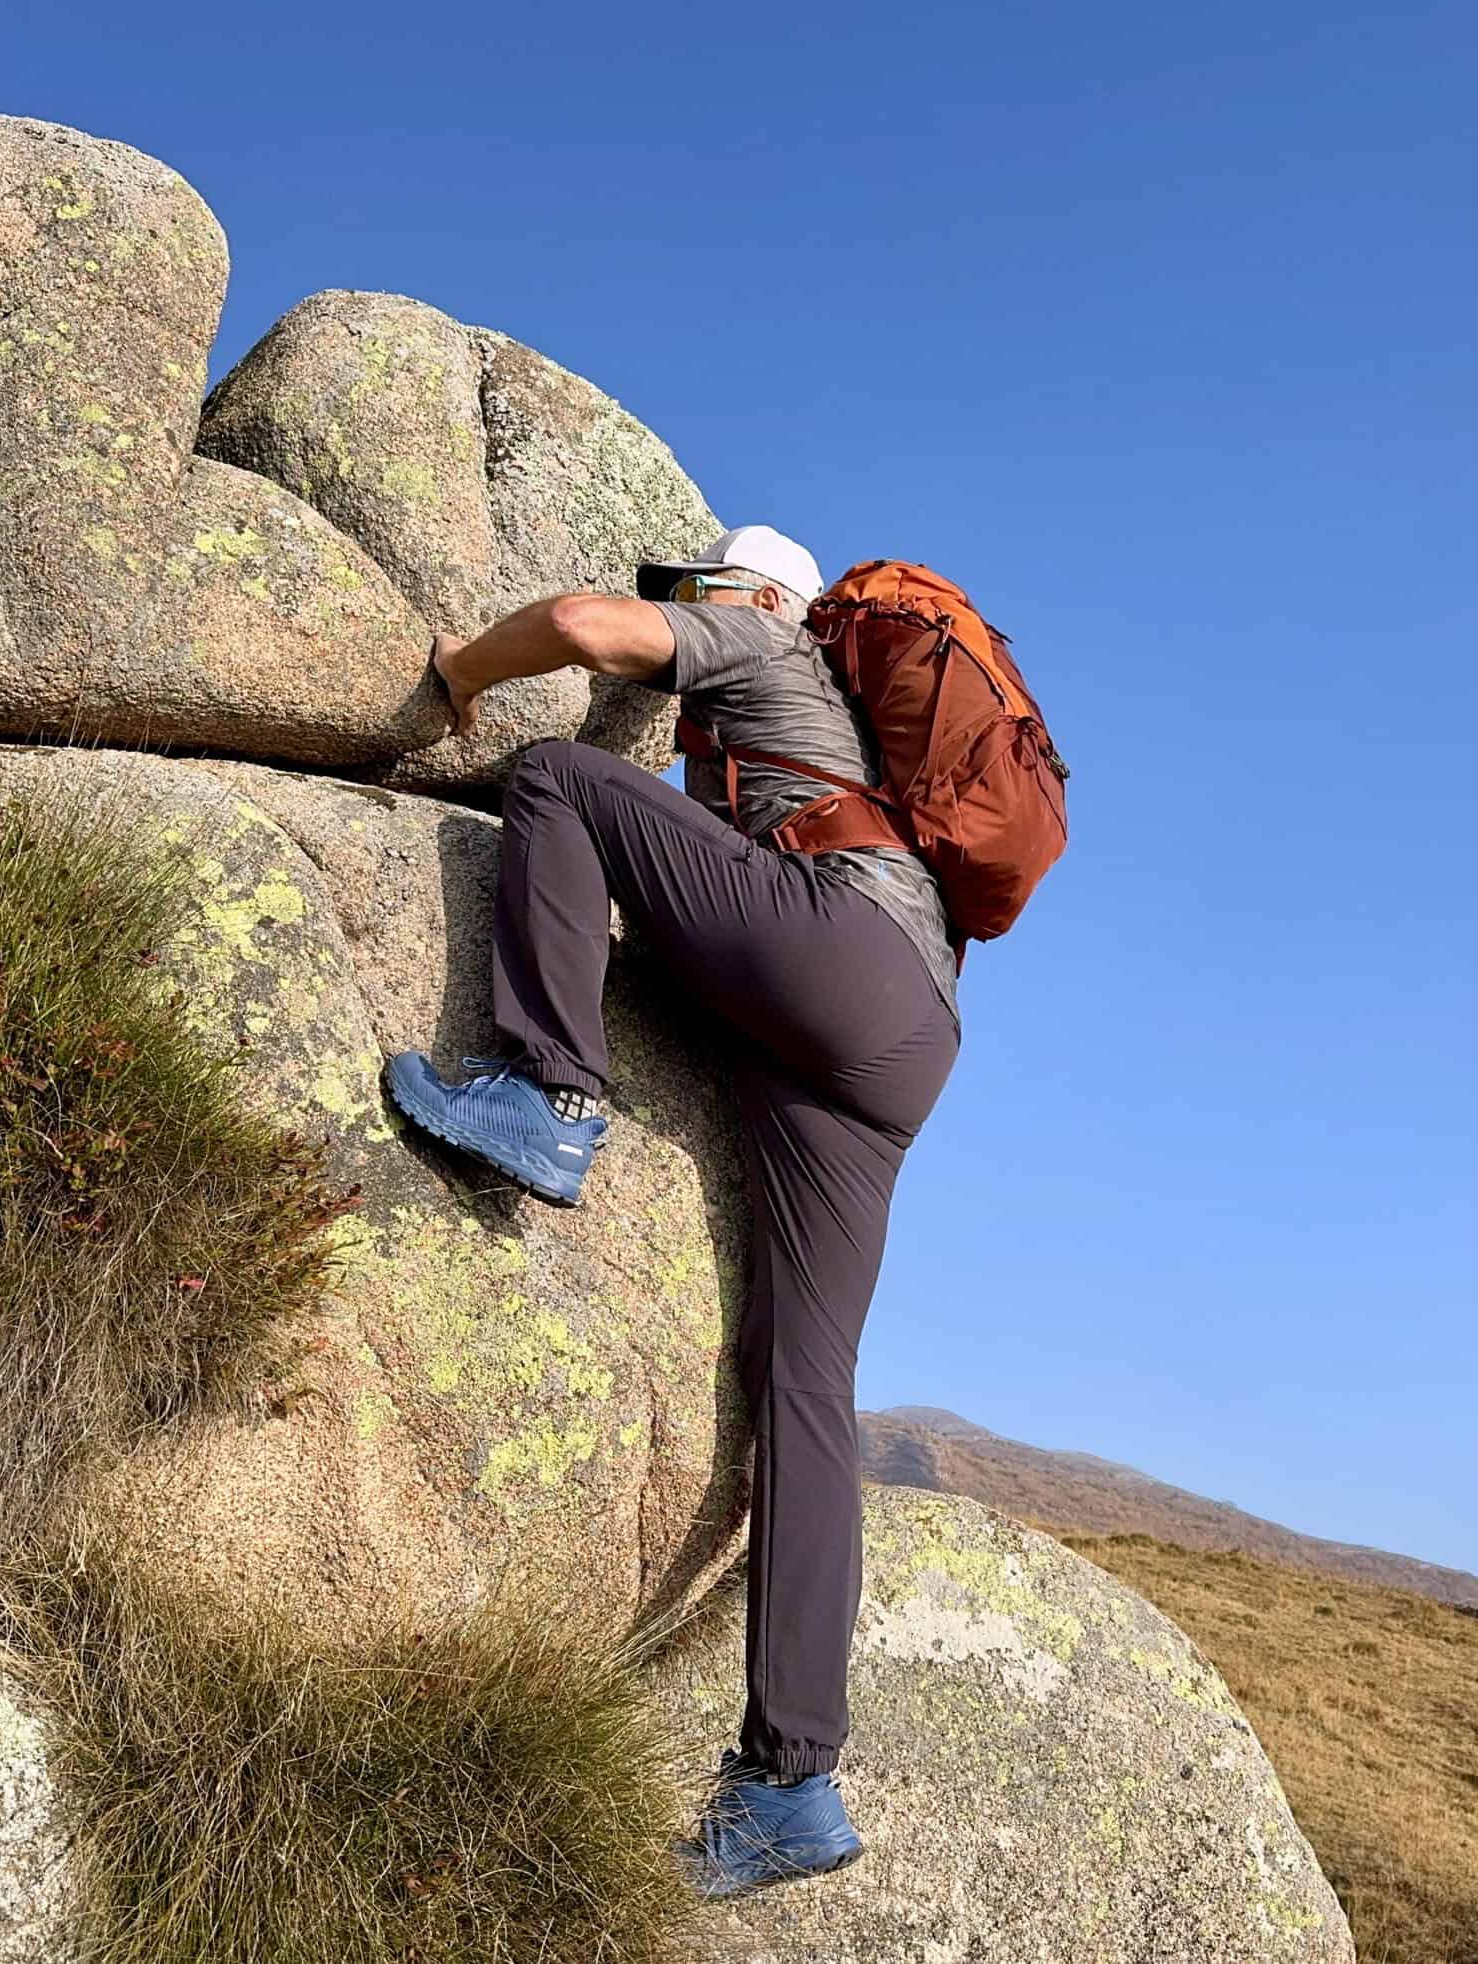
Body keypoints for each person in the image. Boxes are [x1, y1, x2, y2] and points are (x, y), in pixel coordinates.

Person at [383, 525, 962, 1899]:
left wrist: (458, 669)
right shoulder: (816, 748)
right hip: (907, 1040)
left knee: (558, 781)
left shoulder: (767, 638)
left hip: (837, 960)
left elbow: (587, 627)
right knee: (804, 1390)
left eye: (697, 592)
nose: (684, 614)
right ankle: (792, 1786)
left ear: (759, 599)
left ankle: (548, 1102)